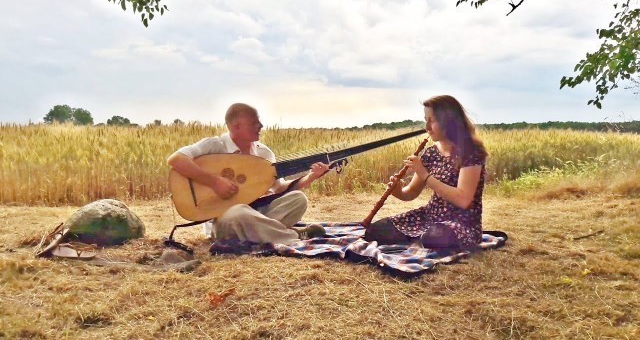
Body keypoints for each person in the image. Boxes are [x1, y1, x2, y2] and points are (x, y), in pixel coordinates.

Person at [167, 103, 328, 245]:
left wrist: (311, 176)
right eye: (255, 122)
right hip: (225, 220)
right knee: (239, 213)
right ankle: (292, 235)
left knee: (298, 199)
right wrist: (214, 182)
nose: (261, 125)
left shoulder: (263, 153)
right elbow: (176, 159)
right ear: (236, 126)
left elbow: (279, 188)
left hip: (257, 213)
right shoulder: (215, 146)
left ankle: (261, 233)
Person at [364, 95, 488, 249]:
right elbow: (411, 192)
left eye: (432, 120)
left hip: (462, 222)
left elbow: (463, 199)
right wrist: (398, 191)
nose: (427, 127)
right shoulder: (430, 153)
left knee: (434, 237)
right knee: (376, 231)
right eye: (426, 120)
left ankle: (423, 239)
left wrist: (425, 175)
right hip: (430, 216)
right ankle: (420, 238)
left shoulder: (471, 152)